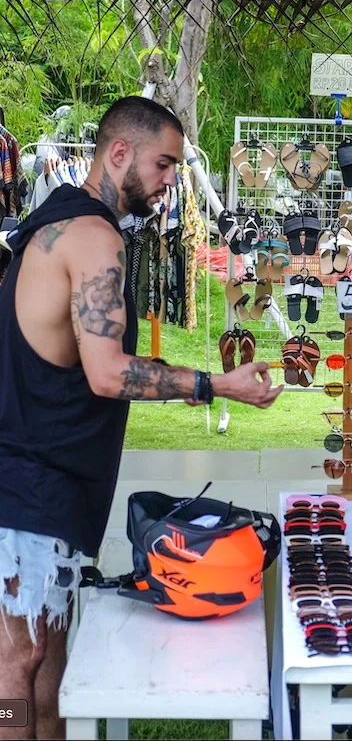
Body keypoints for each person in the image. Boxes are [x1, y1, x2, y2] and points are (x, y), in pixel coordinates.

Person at [0, 97, 283, 741]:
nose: (169, 180)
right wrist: (214, 384)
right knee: (15, 664)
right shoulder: (93, 237)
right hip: (28, 482)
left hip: (54, 482)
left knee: (45, 659)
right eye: (164, 164)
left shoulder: (55, 223)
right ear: (118, 153)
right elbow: (107, 372)